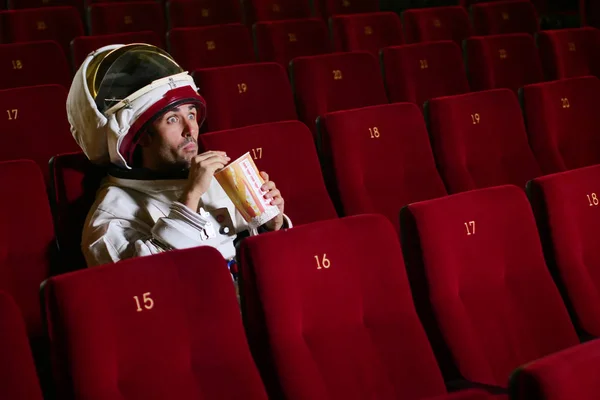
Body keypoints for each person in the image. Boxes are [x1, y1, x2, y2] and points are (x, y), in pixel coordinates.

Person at [67, 44, 291, 267]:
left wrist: (270, 226)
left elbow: (262, 263)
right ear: (140, 135)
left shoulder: (214, 181)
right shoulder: (111, 216)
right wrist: (190, 197)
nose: (190, 129)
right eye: (172, 119)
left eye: (191, 115)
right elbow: (149, 284)